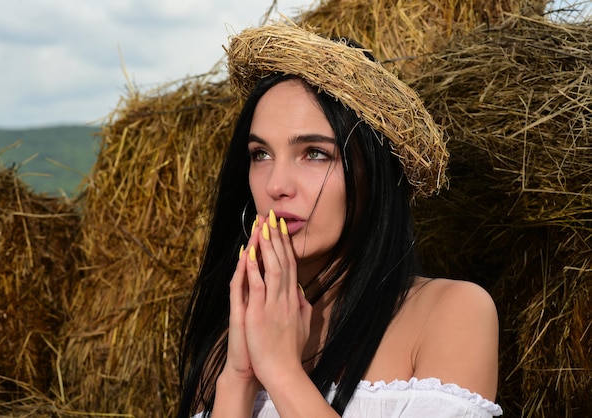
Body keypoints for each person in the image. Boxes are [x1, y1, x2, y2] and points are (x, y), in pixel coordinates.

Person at [177, 21, 502, 418]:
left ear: (374, 174)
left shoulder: (451, 313)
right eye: (261, 154)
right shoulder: (230, 347)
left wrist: (281, 372)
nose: (277, 185)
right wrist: (241, 377)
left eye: (315, 153)